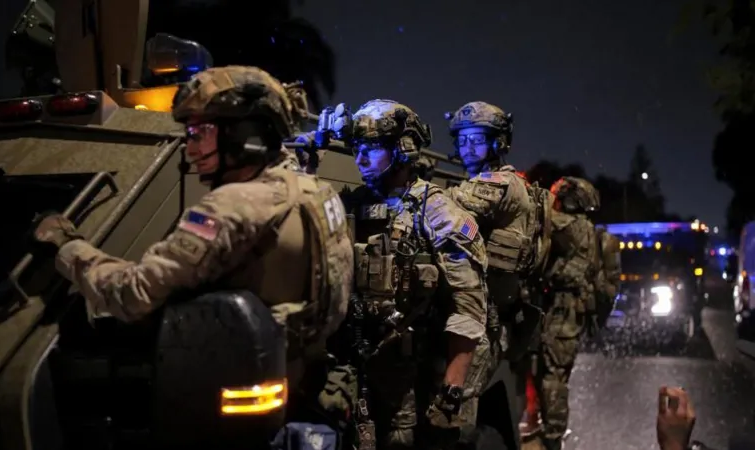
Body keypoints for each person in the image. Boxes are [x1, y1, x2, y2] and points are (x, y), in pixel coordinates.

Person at [32, 65, 354, 391]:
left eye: (200, 133)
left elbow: (134, 294)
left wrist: (67, 245)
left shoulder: (230, 207)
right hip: (303, 381)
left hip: (232, 391)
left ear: (242, 134)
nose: (190, 149)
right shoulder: (315, 190)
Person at [319, 99, 489, 449]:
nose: (360, 159)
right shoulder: (352, 204)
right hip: (354, 359)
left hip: (411, 371)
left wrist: (451, 389)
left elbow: (469, 304)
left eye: (371, 148)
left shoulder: (436, 210)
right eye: (356, 149)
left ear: (401, 150)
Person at [444, 101, 553, 438]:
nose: (467, 147)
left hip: (485, 324)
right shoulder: (490, 181)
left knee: (456, 416)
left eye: (477, 139)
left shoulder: (500, 184)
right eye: (462, 140)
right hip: (482, 315)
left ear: (498, 142)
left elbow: (446, 204)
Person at [533, 176, 601, 450]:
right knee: (554, 375)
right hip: (566, 312)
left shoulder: (573, 226)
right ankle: (552, 433)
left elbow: (542, 218)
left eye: (560, 198)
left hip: (562, 314)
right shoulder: (585, 227)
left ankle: (552, 437)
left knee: (553, 379)